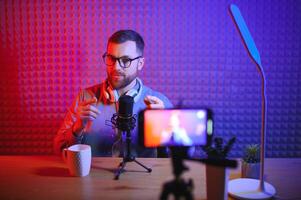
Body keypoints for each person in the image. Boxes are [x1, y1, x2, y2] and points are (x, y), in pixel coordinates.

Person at [54, 30, 172, 157]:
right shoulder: (85, 97)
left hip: (142, 176)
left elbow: (180, 158)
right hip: (96, 176)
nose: (116, 67)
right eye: (111, 58)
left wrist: (165, 130)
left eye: (126, 60)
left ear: (140, 63)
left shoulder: (159, 102)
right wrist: (77, 128)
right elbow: (59, 149)